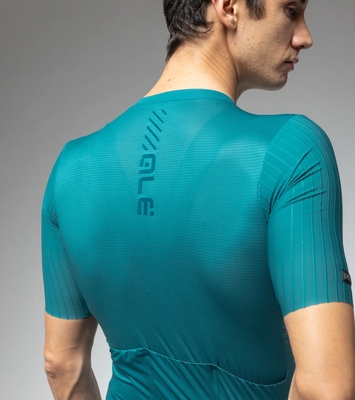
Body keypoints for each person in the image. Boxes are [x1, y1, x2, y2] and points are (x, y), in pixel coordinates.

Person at [41, 0, 355, 399]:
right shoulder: (290, 152)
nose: (305, 37)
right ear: (229, 7)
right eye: (291, 9)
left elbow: (62, 364)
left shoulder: (71, 168)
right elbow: (326, 389)